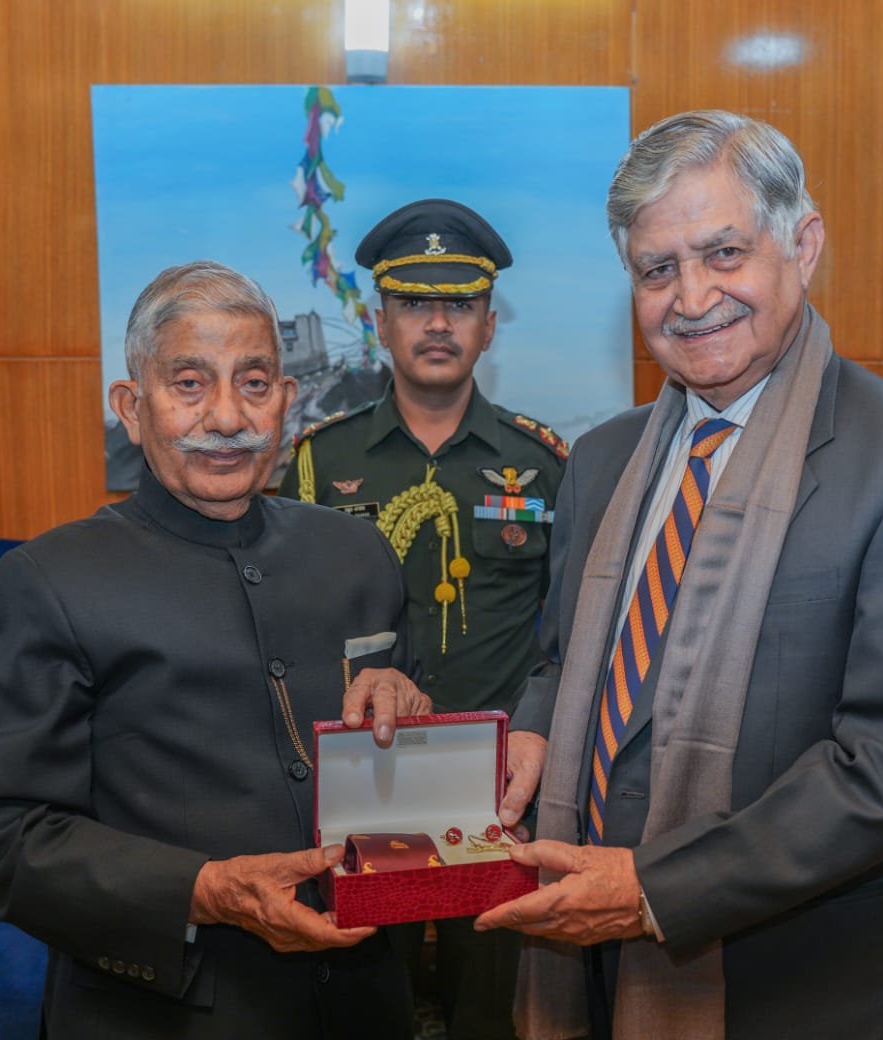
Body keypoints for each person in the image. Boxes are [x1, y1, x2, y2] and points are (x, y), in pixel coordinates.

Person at [474, 110, 883, 1039]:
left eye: (723, 252)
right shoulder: (600, 459)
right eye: (657, 269)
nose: (692, 296)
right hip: (582, 967)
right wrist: (531, 732)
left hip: (797, 989)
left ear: (802, 243)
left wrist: (652, 891)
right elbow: (559, 662)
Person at [0, 260, 432, 1039]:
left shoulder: (359, 554)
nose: (226, 415)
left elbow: (397, 780)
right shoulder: (49, 578)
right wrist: (205, 891)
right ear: (130, 407)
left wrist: (414, 720)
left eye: (252, 383)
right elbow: (6, 837)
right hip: (163, 1011)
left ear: (286, 400)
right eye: (187, 383)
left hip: (362, 998)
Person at [279, 198, 569, 1040]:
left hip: (500, 784)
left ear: (487, 323)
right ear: (380, 320)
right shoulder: (317, 461)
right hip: (367, 780)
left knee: (494, 1004)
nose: (436, 324)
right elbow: (292, 624)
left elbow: (570, 630)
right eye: (413, 302)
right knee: (367, 997)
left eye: (460, 305)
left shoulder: (541, 462)